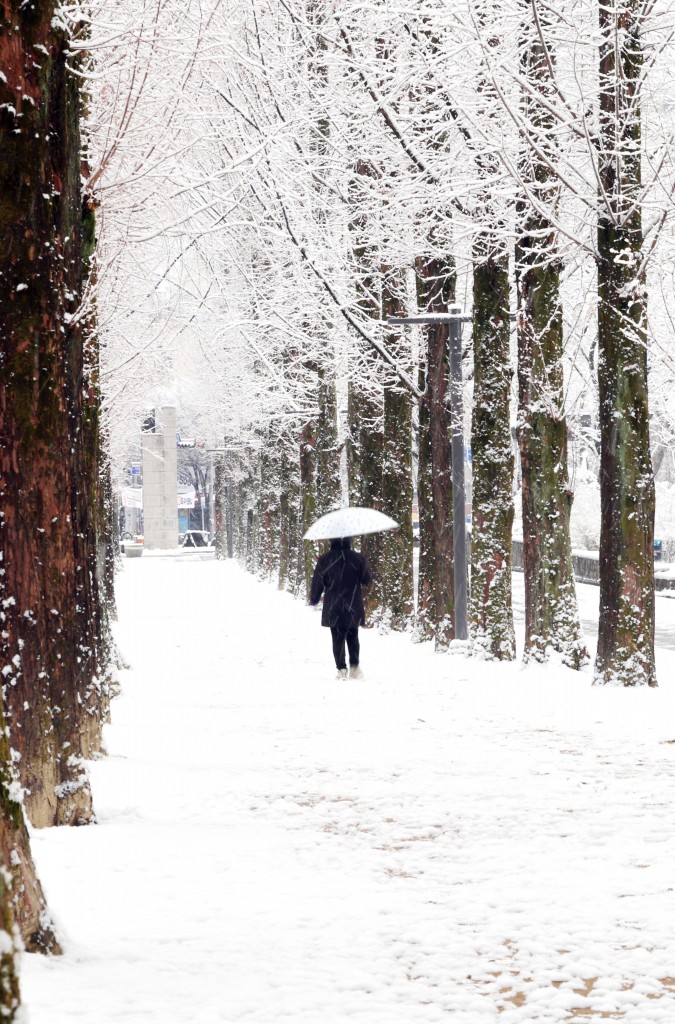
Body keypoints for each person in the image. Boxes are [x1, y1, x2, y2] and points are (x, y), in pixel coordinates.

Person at [308, 537, 373, 680]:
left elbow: (317, 581)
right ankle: (354, 667)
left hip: (334, 605)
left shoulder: (325, 559)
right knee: (353, 636)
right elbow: (367, 580)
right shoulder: (357, 558)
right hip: (353, 603)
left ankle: (342, 669)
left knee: (337, 638)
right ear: (349, 540)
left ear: (332, 541)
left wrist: (314, 598)